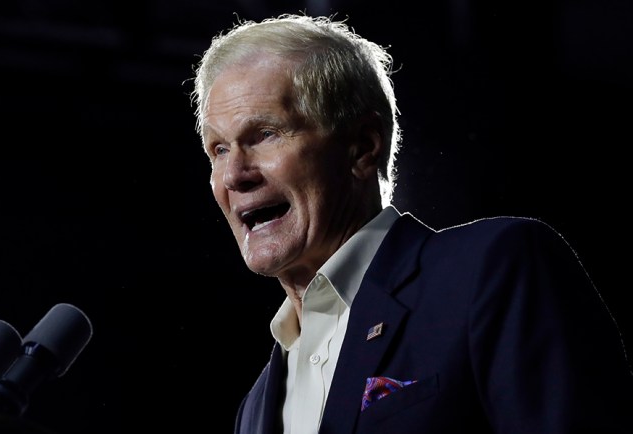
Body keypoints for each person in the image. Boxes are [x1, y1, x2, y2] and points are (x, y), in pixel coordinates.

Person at [188, 13, 633, 434]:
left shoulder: (489, 271)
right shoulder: (258, 403)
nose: (234, 175)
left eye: (264, 135)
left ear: (362, 147)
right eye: (219, 149)